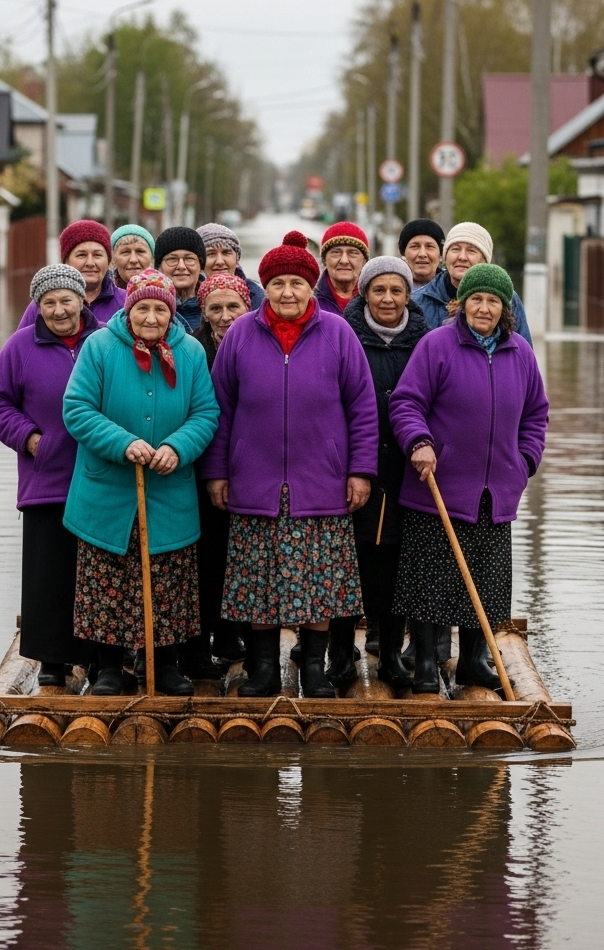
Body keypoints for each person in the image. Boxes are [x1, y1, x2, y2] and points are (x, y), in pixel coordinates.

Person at [202, 230, 378, 699]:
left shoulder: (338, 333)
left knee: (320, 583)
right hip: (254, 483)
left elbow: (362, 407)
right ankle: (263, 672)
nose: (286, 292)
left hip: (321, 481)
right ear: (266, 286)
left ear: (309, 286)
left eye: (297, 284)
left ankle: (315, 671)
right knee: (258, 583)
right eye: (277, 283)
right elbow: (218, 410)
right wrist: (217, 472)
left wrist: (360, 471)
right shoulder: (241, 334)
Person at [389, 264, 549, 693]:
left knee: (487, 584)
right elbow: (406, 403)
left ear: (505, 309)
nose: (484, 308)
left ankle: (474, 663)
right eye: (476, 299)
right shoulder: (436, 345)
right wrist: (419, 442)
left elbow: (536, 415)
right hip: (438, 486)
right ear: (462, 304)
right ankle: (425, 665)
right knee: (428, 583)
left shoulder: (521, 353)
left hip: (496, 492)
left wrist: (525, 460)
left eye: (493, 301)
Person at [62, 268, 221, 696]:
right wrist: (123, 442)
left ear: (172, 314)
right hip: (107, 490)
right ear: (129, 309)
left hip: (168, 489)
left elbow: (205, 413)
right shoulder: (98, 347)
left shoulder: (188, 352)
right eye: (143, 308)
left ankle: (165, 666)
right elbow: (77, 408)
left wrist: (177, 447)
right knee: (107, 582)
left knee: (168, 581)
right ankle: (110, 669)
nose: (151, 318)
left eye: (160, 310)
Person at [0, 265, 99, 685]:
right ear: (37, 306)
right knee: (49, 572)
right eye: (48, 302)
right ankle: (51, 661)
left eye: (66, 299)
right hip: (46, 478)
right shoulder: (20, 347)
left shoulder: (105, 341)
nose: (58, 309)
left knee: (98, 571)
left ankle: (100, 658)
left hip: (101, 479)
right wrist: (31, 439)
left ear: (81, 299)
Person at [328, 255, 427, 689]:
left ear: (408, 295)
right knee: (344, 563)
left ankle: (390, 656)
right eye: (379, 290)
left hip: (405, 471)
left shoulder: (427, 341)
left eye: (397, 291)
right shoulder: (344, 336)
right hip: (351, 469)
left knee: (394, 567)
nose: (388, 299)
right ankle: (340, 655)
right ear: (364, 292)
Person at [185, 271, 253, 675]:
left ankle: (232, 634)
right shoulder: (193, 350)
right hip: (197, 466)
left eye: (234, 307)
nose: (225, 316)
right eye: (216, 308)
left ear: (247, 307)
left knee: (239, 555)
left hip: (246, 467)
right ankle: (200, 639)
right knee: (205, 557)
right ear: (204, 311)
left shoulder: (256, 342)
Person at [414, 221, 533, 346]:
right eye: (455, 249)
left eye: (471, 251)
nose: (462, 257)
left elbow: (523, 355)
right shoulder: (418, 301)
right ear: (444, 256)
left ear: (484, 261)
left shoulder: (507, 298)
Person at [18, 221, 125, 329]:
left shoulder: (126, 302)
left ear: (108, 260)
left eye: (97, 255)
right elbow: (21, 343)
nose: (90, 263)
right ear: (66, 261)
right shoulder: (44, 305)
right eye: (81, 255)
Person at [153, 226, 207, 333]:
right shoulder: (147, 305)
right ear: (158, 267)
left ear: (200, 265)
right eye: (172, 259)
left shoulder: (214, 305)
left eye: (189, 259)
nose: (181, 266)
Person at [197, 222, 263, 309]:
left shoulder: (259, 296)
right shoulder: (183, 300)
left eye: (226, 252)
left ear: (237, 258)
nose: (220, 261)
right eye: (211, 254)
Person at [313, 221, 370, 315]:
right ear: (324, 260)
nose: (344, 260)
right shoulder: (310, 301)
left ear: (364, 261)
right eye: (336, 252)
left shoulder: (374, 301)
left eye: (353, 253)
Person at [398, 218, 445, 293]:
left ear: (441, 254)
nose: (422, 254)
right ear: (403, 253)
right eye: (415, 246)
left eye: (429, 246)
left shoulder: (453, 290)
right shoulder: (391, 290)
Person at [110, 223, 155, 289]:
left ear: (151, 257)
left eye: (140, 251)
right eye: (125, 252)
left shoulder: (165, 293)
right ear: (114, 258)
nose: (133, 260)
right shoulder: (99, 293)